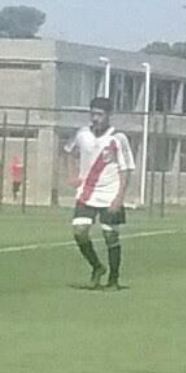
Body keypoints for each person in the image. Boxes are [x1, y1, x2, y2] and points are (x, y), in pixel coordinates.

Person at [65, 97, 135, 290]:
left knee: (110, 235)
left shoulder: (118, 138)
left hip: (110, 193)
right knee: (79, 231)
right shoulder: (82, 134)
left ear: (108, 115)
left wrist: (119, 197)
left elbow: (125, 169)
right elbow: (68, 151)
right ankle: (97, 267)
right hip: (87, 192)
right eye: (93, 114)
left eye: (100, 114)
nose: (96, 118)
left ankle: (113, 280)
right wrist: (72, 175)